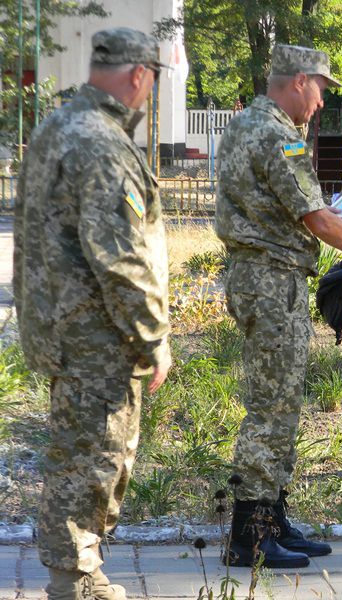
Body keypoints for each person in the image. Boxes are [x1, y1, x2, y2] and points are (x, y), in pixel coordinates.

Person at [214, 44, 342, 570]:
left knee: (283, 400)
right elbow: (315, 218)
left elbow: (297, 210)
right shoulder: (276, 134)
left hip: (266, 276)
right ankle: (250, 534)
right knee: (273, 406)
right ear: (299, 81)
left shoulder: (245, 125)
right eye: (321, 89)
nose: (321, 103)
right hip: (272, 281)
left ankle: (272, 518)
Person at [13, 27, 171, 599]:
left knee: (76, 453)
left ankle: (80, 572)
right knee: (96, 459)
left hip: (61, 328)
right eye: (153, 80)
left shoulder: (56, 127)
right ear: (139, 75)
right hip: (96, 336)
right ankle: (74, 581)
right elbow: (120, 256)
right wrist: (153, 337)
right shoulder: (102, 142)